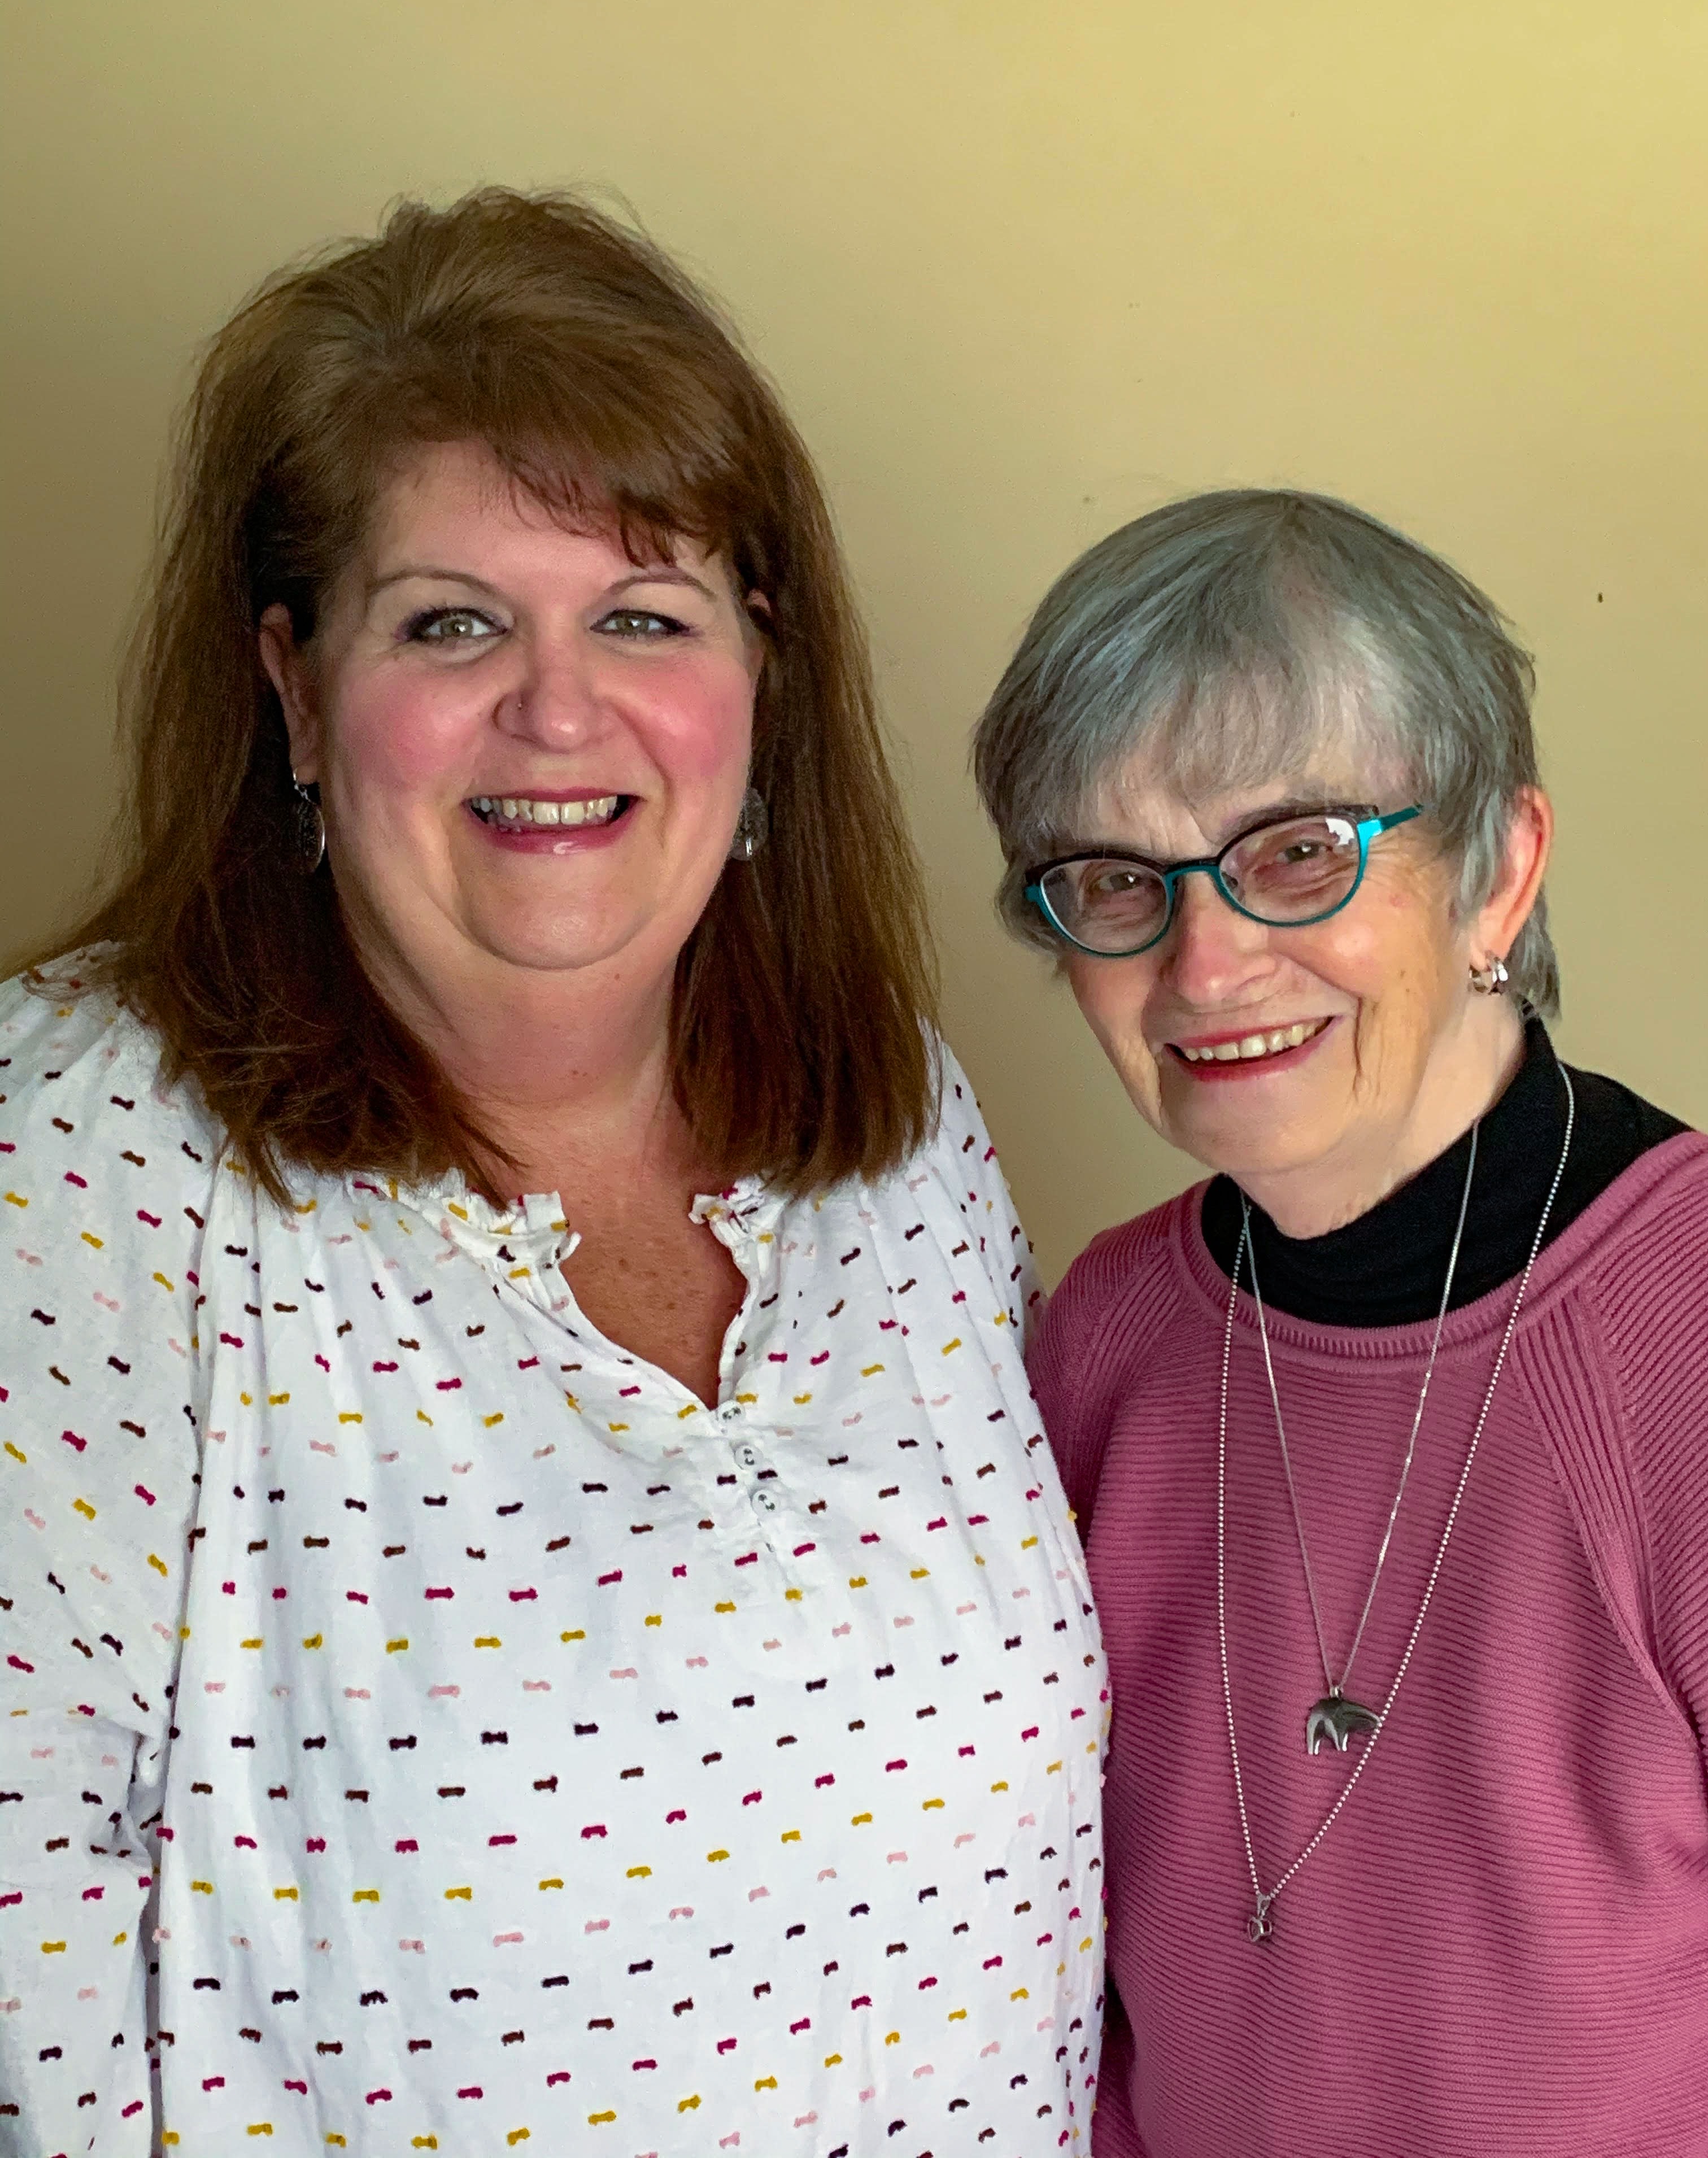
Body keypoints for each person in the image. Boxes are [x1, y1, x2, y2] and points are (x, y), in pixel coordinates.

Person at [0, 189, 1106, 2158]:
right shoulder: (90, 1154)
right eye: (451, 623)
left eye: (644, 615)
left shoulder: (895, 1124)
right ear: (293, 691)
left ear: (759, 677)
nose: (559, 710)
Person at [973, 488, 1707, 2156]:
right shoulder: (1105, 1343)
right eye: (1112, 879)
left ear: (1500, 872)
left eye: (1296, 853)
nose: (1206, 965)